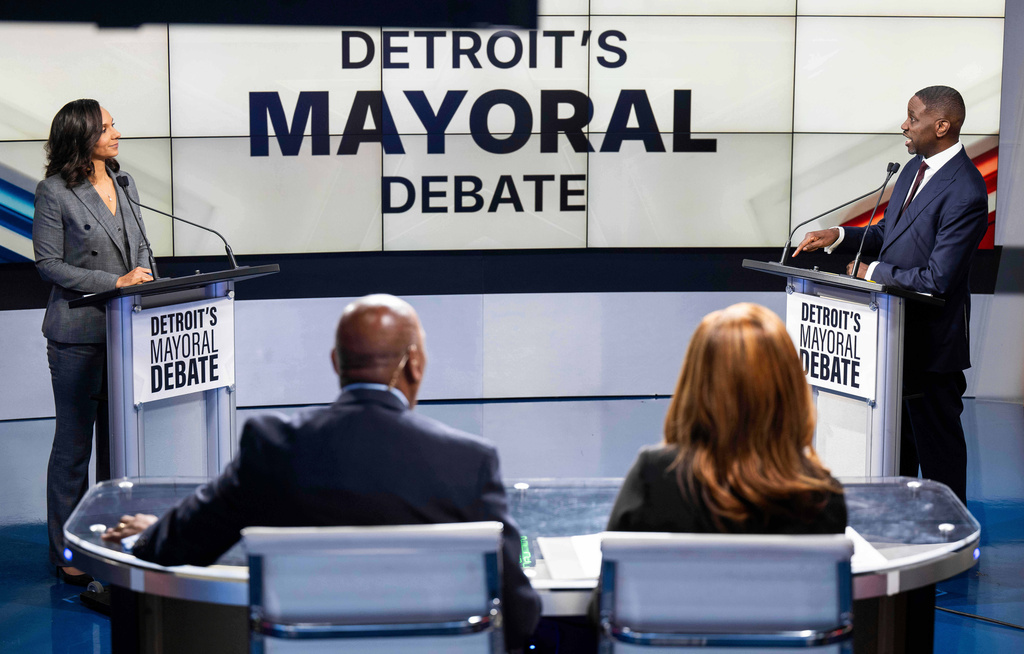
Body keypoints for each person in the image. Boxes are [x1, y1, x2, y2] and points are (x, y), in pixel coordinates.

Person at [102, 294, 542, 651]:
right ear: (415, 363)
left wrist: (153, 530)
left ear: (336, 362)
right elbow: (519, 610)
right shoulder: (467, 460)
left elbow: (183, 541)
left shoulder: (273, 444)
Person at [794, 86, 988, 503]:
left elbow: (938, 277)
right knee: (897, 447)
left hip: (933, 344)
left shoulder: (968, 190)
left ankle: (947, 531)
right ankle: (896, 521)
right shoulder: (911, 171)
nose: (904, 124)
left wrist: (873, 272)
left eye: (913, 117)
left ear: (941, 125)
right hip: (891, 336)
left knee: (939, 452)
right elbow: (890, 234)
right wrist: (840, 235)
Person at [33, 99, 154, 585]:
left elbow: (142, 246)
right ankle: (66, 549)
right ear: (83, 135)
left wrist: (147, 286)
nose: (116, 132)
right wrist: (117, 284)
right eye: (107, 127)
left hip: (125, 331)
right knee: (74, 445)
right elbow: (48, 264)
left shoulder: (125, 182)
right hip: (78, 335)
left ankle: (107, 538)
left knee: (118, 445)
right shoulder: (54, 191)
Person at [604, 303, 846, 535]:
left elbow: (616, 575)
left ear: (695, 385)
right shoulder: (820, 497)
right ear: (790, 389)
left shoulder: (654, 478)